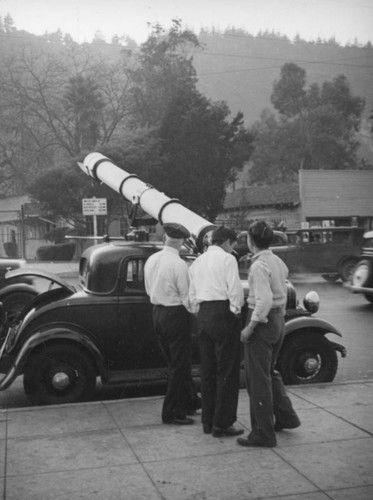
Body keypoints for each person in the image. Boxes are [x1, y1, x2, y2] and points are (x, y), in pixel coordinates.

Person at [237, 220, 300, 448]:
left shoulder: (258, 266)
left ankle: (263, 434)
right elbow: (280, 292)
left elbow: (262, 302)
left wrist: (250, 327)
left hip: (262, 322)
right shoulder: (277, 262)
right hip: (277, 321)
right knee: (269, 372)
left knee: (258, 379)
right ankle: (286, 417)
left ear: (250, 241)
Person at [189, 226, 244, 438]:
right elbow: (235, 291)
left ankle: (208, 421)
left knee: (207, 370)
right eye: (233, 244)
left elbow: (192, 294)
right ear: (227, 242)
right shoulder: (228, 260)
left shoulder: (197, 261)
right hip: (223, 314)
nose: (233, 249)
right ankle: (222, 424)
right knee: (227, 372)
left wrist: (199, 312)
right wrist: (235, 313)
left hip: (203, 316)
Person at [144, 222, 200, 425]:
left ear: (165, 238)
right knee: (180, 365)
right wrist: (197, 313)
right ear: (182, 241)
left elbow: (149, 289)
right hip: (176, 315)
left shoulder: (152, 259)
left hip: (157, 313)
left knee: (174, 363)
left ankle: (190, 401)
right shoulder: (178, 264)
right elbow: (187, 298)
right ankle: (172, 412)